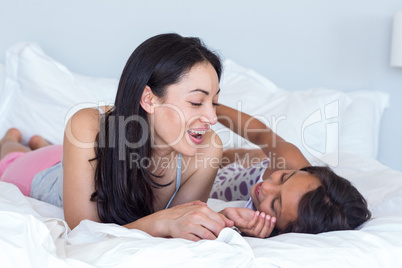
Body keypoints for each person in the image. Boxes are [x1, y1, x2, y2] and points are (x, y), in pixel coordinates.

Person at [0, 33, 235, 242]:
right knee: (10, 157)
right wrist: (162, 222)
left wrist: (220, 220)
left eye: (213, 103)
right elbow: (83, 231)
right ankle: (11, 140)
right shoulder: (87, 125)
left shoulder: (209, 147)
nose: (212, 118)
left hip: (78, 158)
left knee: (52, 149)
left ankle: (41, 144)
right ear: (149, 99)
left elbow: (181, 226)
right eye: (196, 102)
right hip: (45, 172)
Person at [212, 104, 372, 238]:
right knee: (260, 155)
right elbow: (260, 133)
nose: (267, 187)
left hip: (222, 190)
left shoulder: (274, 232)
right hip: (239, 173)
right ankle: (243, 155)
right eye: (284, 177)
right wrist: (210, 106)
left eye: (275, 203)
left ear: (285, 230)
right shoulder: (290, 162)